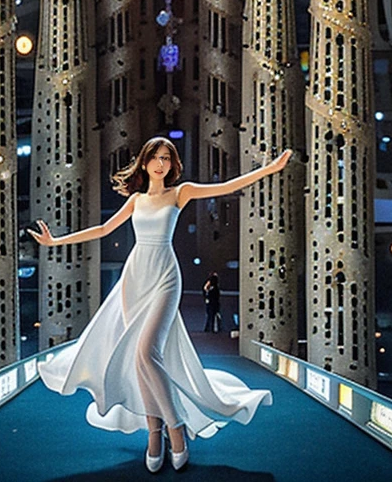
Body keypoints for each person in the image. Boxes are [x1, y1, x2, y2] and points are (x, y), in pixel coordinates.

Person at [29, 137, 292, 473]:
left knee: (145, 353)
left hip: (166, 277)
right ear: (144, 162)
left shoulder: (180, 193)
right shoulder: (136, 200)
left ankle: (175, 427)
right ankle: (155, 435)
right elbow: (103, 228)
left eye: (166, 158)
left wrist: (270, 170)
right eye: (155, 157)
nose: (160, 163)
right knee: (140, 360)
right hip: (135, 279)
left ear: (172, 164)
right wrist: (55, 241)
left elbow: (227, 186)